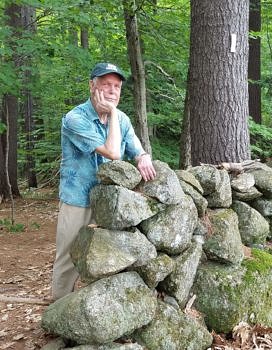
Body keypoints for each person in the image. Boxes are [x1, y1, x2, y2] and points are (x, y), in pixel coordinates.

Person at [52, 62, 156, 300]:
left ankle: (101, 308)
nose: (112, 90)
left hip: (109, 202)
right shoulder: (74, 119)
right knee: (68, 256)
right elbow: (113, 152)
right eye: (106, 84)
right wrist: (112, 113)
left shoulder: (121, 119)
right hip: (78, 199)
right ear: (92, 86)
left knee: (108, 255)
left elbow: (134, 147)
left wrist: (142, 156)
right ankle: (58, 308)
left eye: (116, 86)